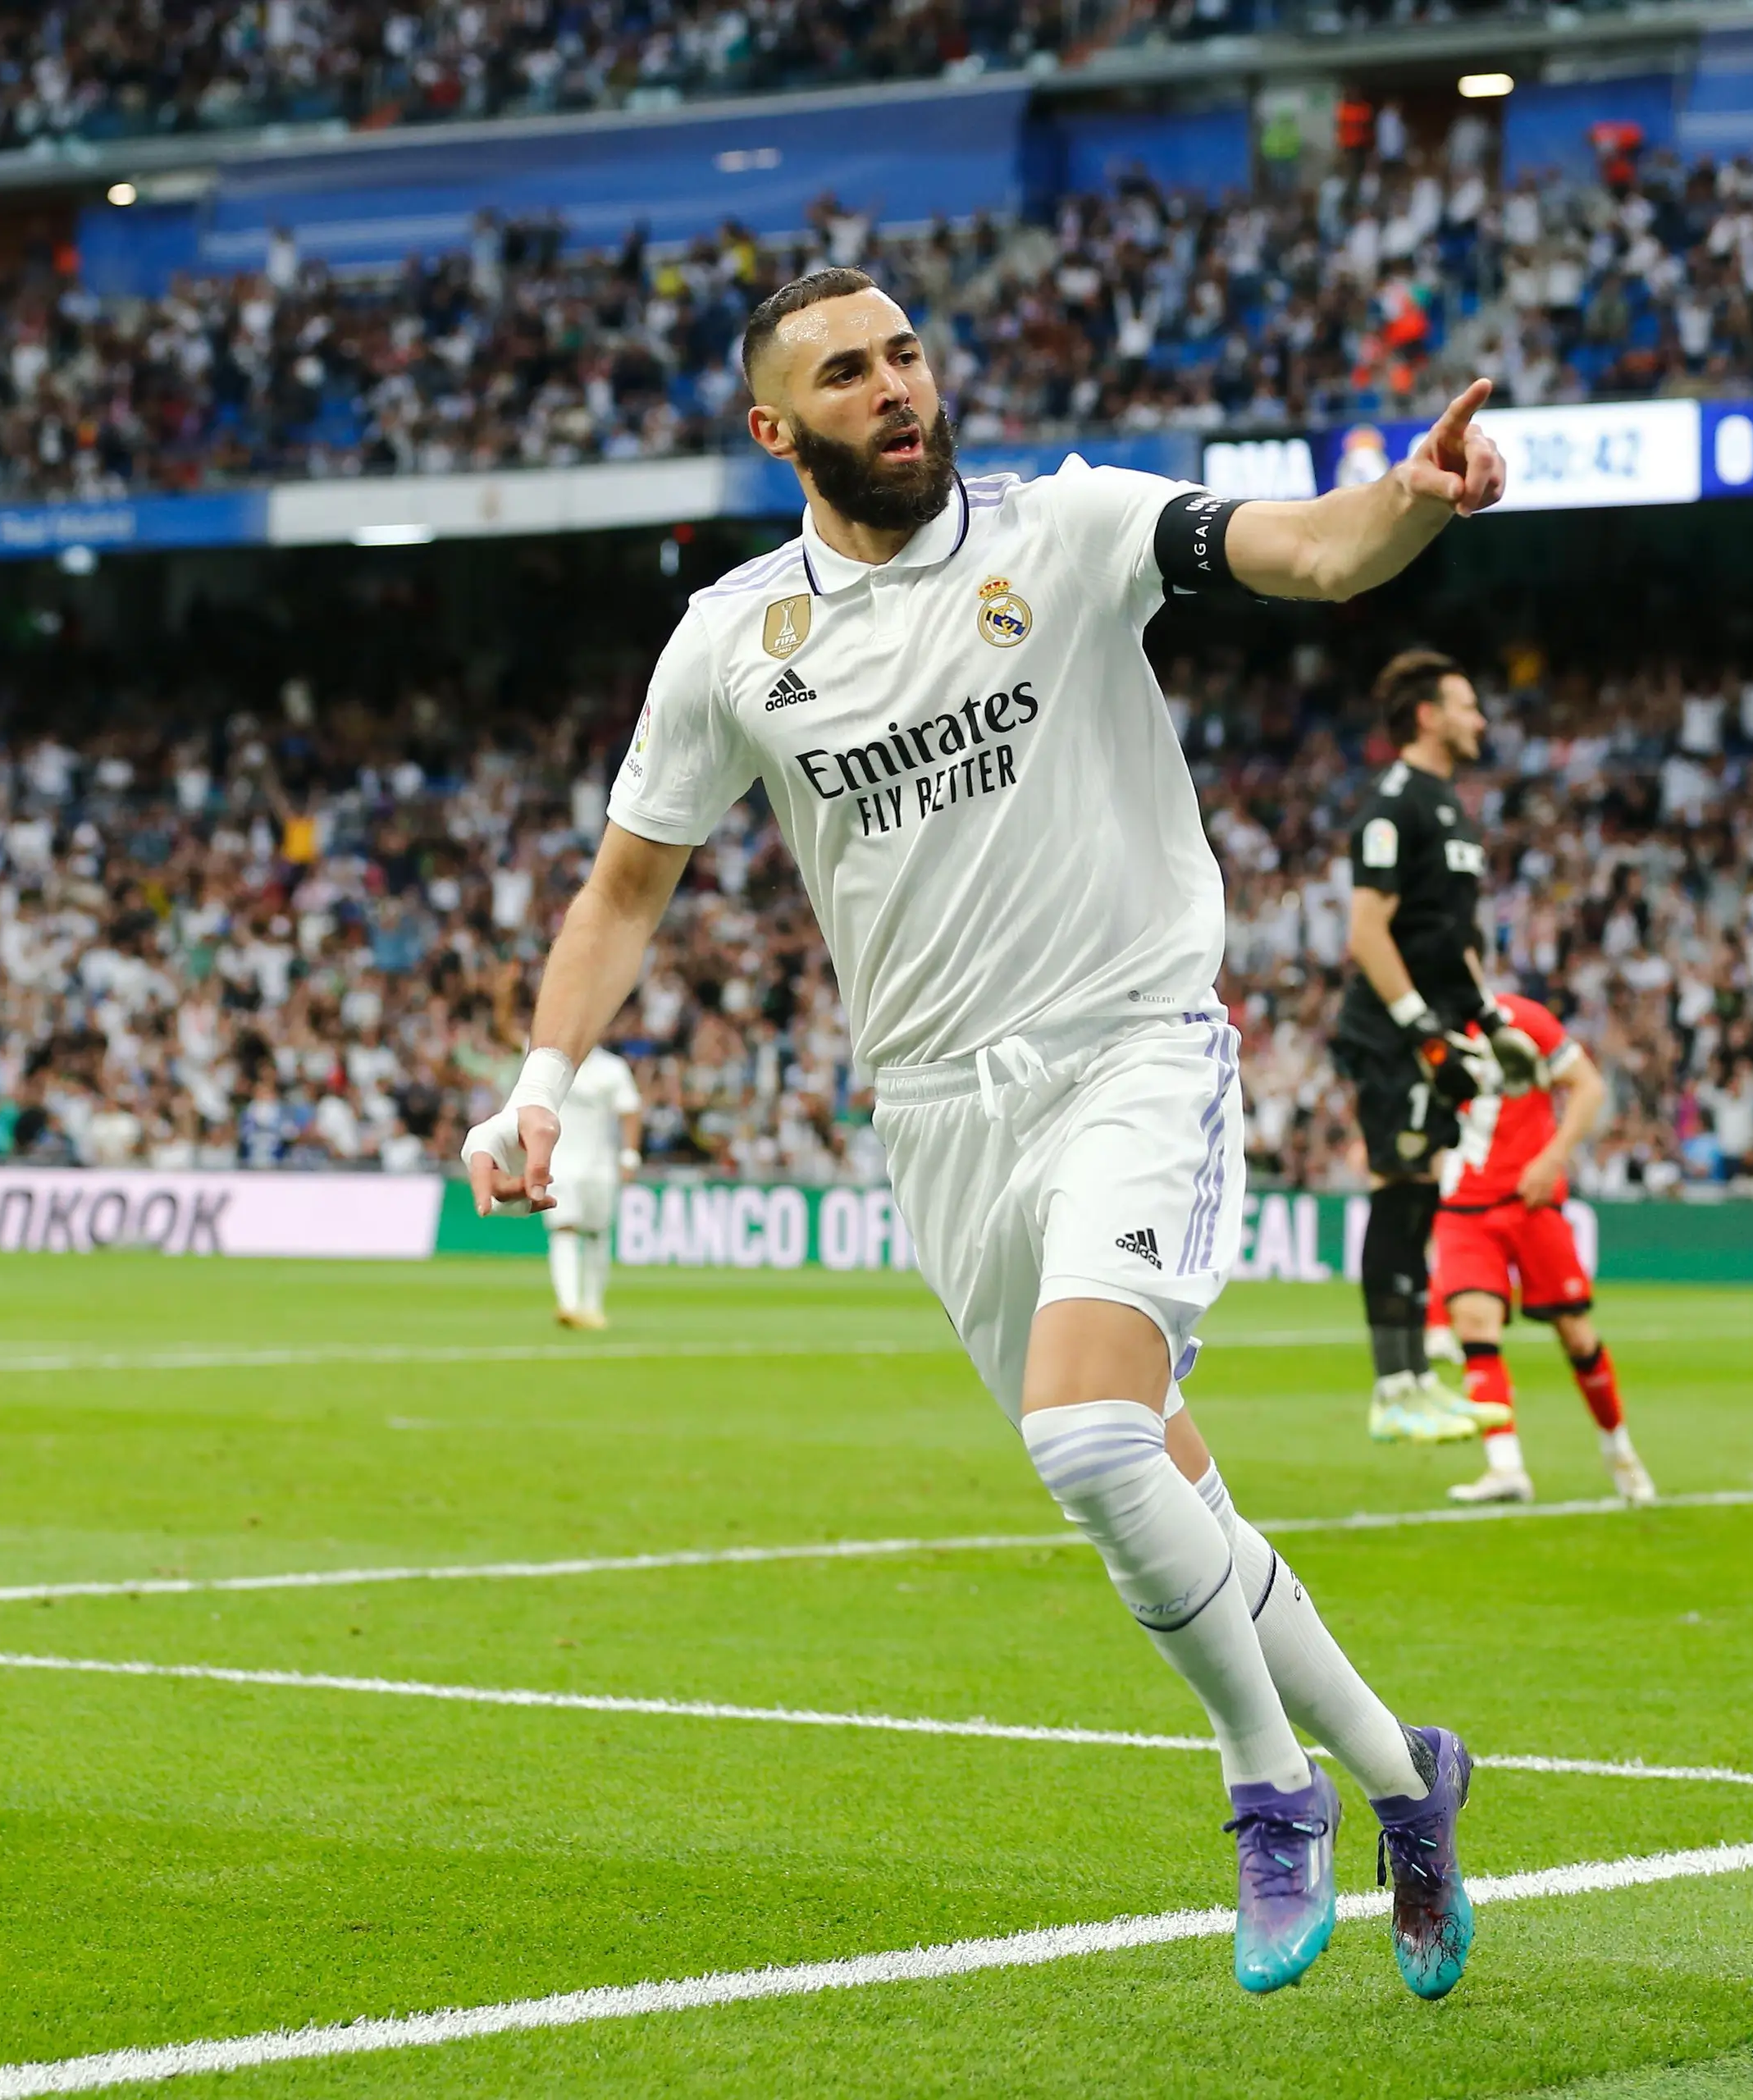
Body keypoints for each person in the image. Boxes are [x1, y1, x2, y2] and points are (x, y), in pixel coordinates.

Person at [459, 267, 1506, 2001]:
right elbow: (626, 885)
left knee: (1090, 1437)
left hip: (1129, 1051)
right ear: (776, 428)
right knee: (1169, 1493)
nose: (896, 387)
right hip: (937, 1119)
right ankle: (1409, 1777)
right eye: (847, 373)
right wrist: (540, 1085)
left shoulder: (1073, 527)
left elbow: (1308, 553)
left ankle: (1269, 1788)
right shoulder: (731, 639)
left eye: (906, 354)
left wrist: (1407, 498)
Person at [1333, 650, 1539, 1445]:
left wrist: (1489, 1018)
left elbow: (1453, 938)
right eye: (1467, 705)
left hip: (1439, 1029)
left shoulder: (1451, 807)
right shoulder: (1394, 803)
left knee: (1420, 1196)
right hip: (1392, 1034)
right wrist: (1422, 1029)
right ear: (1428, 715)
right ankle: (1393, 1389)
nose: (1481, 719)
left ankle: (1416, 1377)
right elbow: (1367, 932)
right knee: (1400, 1190)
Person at [1427, 992, 1655, 1507]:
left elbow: (1589, 1086)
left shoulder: (1521, 1018)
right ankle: (1505, 1468)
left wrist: (1553, 1159)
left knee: (1576, 1336)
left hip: (1533, 1200)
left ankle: (1618, 1448)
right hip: (1465, 1206)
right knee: (1476, 1329)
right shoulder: (1427, 1030)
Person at [544, 1046, 641, 1327]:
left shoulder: (613, 1068)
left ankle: (592, 1305)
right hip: (560, 1165)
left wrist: (630, 1156)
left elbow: (630, 1110)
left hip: (600, 1165)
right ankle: (568, 1305)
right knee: (563, 1227)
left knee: (598, 1232)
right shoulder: (551, 1064)